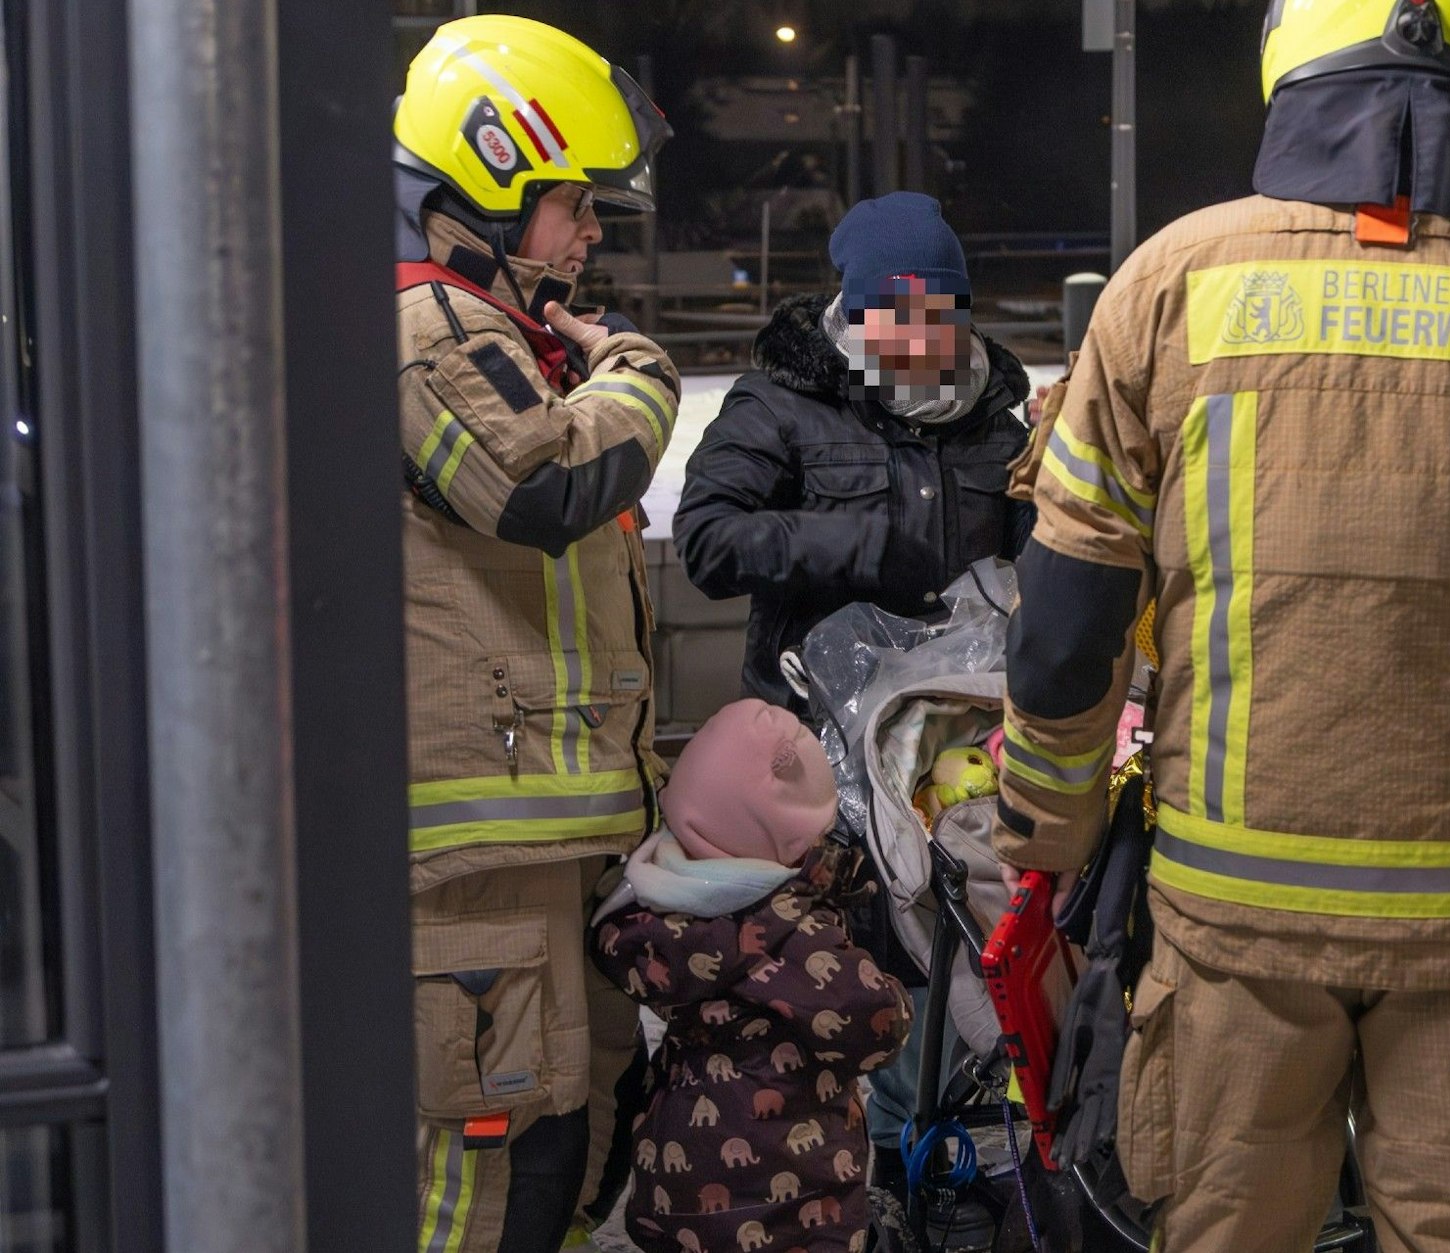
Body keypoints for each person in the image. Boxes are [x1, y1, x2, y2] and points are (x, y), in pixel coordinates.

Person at [991, 0, 1450, 1245]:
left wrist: (1044, 834)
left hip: (1230, 913)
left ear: (1289, 64)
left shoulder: (1168, 284)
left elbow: (1069, 619)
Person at [392, 16, 678, 1252]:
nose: (590, 233)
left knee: (563, 1136)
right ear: (489, 186)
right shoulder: (428, 331)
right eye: (573, 204)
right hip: (474, 869)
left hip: (534, 848)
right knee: (488, 1168)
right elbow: (540, 483)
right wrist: (639, 371)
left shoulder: (494, 334)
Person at [672, 191, 1033, 714]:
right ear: (858, 315)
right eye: (900, 314)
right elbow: (706, 541)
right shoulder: (781, 403)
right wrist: (858, 544)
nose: (923, 333)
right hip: (813, 726)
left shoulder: (992, 416)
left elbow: (1042, 551)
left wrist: (1064, 467)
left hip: (956, 724)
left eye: (941, 311)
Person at [589, 699, 912, 1253]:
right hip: (792, 1195)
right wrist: (897, 997)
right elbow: (873, 1024)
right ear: (792, 841)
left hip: (677, 1182)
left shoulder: (648, 918)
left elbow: (608, 950)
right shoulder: (793, 935)